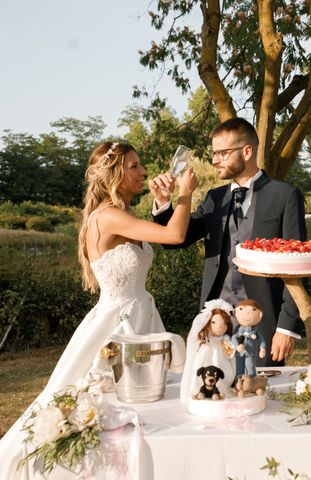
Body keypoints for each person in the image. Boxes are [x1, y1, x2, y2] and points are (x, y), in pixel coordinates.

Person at [0, 141, 198, 479]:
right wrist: (185, 192)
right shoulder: (108, 216)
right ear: (114, 173)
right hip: (118, 324)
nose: (143, 172)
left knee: (143, 403)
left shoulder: (119, 214)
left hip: (140, 316)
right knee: (108, 402)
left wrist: (163, 201)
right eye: (134, 167)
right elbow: (175, 234)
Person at [151, 117, 306, 366]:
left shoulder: (284, 195)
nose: (214, 160)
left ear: (247, 151)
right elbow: (176, 239)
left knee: (258, 398)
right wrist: (164, 204)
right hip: (215, 323)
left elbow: (298, 266)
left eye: (222, 153)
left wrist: (286, 328)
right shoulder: (215, 198)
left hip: (263, 323)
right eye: (214, 153)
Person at [181, 299, 236, 403]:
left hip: (221, 360)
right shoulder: (206, 337)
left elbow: (230, 352)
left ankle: (220, 390)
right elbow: (196, 344)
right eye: (214, 322)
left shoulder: (225, 338)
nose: (219, 326)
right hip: (205, 358)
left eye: (224, 323)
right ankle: (200, 390)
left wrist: (226, 346)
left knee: (223, 373)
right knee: (200, 370)